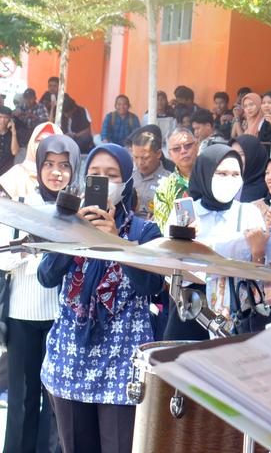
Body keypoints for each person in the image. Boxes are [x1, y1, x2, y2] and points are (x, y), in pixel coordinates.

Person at [39, 143, 163, 453]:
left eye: (112, 175)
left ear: (126, 182)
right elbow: (47, 276)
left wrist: (117, 243)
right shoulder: (67, 222)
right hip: (71, 356)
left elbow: (151, 284)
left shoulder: (144, 230)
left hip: (121, 362)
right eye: (95, 174)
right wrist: (75, 233)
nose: (103, 182)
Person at [0, 135, 77, 453]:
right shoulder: (22, 205)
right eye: (49, 164)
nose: (56, 172)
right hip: (22, 314)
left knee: (55, 399)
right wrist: (30, 255)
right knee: (21, 398)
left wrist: (36, 256)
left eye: (64, 166)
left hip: (61, 317)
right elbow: (3, 256)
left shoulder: (79, 212)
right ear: (39, 165)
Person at [178, 144, 268, 327]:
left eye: (236, 174)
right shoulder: (186, 211)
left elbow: (261, 275)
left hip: (235, 311)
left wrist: (258, 252)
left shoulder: (249, 212)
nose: (229, 180)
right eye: (221, 173)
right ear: (205, 173)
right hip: (192, 308)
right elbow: (170, 269)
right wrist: (184, 241)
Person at [152, 126, 198, 230]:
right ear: (170, 155)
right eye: (176, 149)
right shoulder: (164, 189)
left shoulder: (212, 178)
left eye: (187, 146)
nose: (183, 151)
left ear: (197, 146)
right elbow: (163, 229)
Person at [0, 122, 60, 200]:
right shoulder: (16, 174)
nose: (43, 146)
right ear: (31, 143)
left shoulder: (62, 179)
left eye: (50, 141)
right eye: (39, 141)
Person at [130, 129, 170, 220]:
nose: (140, 163)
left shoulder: (170, 181)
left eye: (145, 158)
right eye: (136, 157)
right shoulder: (128, 178)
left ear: (158, 154)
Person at [230, 134, 269, 203]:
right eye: (232, 154)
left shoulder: (267, 189)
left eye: (241, 154)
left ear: (255, 157)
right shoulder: (227, 182)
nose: (235, 158)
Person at [0, 107, 19, 176]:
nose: (2, 120)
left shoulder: (13, 134)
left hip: (6, 174)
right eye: (0, 117)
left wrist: (13, 133)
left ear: (10, 119)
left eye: (6, 118)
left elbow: (15, 152)